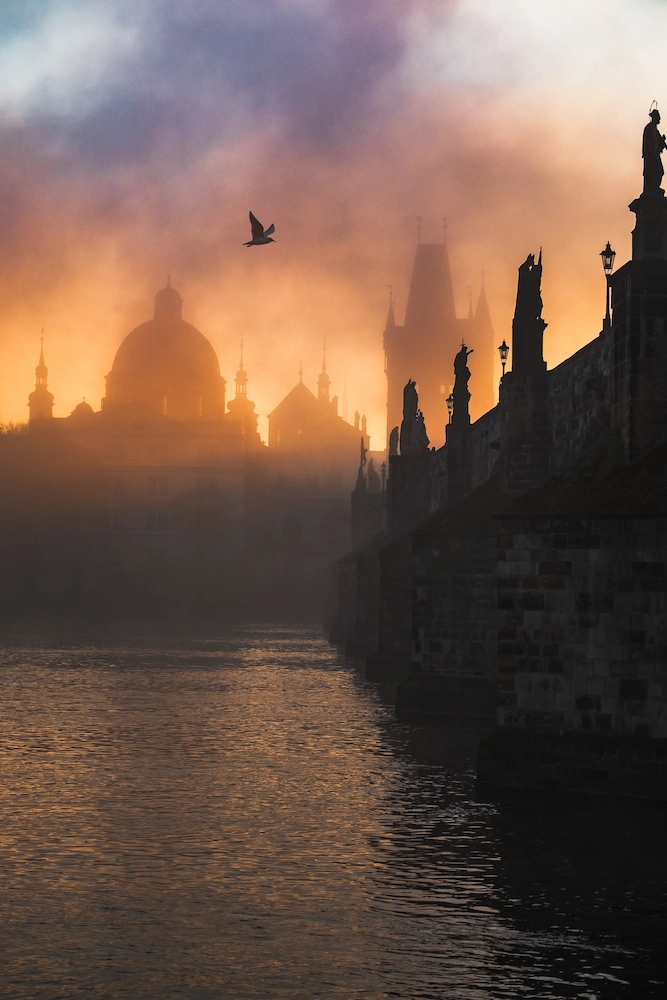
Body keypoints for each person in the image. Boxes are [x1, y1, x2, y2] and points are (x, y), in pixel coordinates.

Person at [643, 109, 666, 194]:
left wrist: (662, 141)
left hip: (654, 154)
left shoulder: (654, 129)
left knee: (658, 171)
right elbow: (651, 143)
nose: (659, 119)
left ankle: (655, 187)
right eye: (658, 117)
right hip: (652, 155)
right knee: (655, 172)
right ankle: (653, 188)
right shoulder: (650, 128)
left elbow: (659, 141)